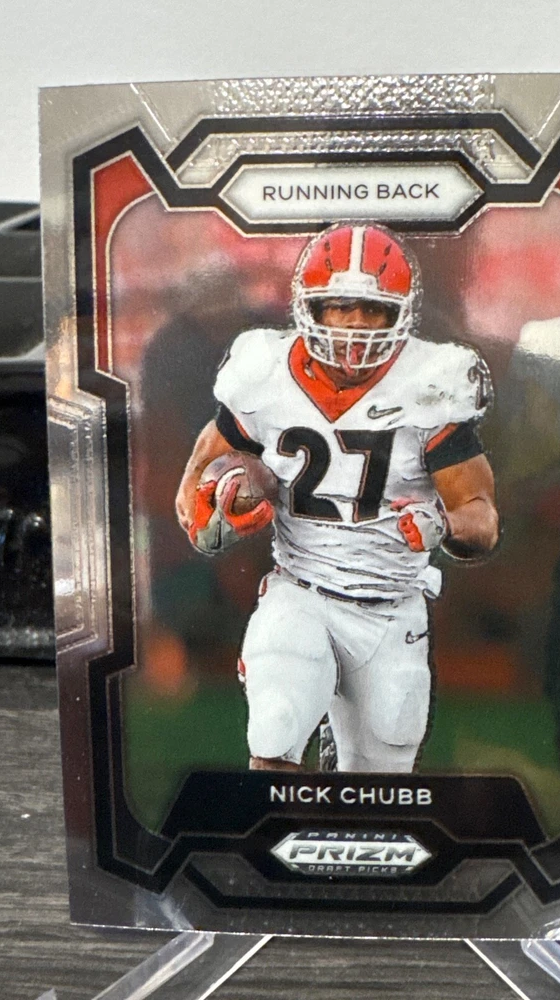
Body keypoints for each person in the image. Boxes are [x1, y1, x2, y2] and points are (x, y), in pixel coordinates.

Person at [175, 223, 499, 774]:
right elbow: (201, 474)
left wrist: (444, 525)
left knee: (380, 779)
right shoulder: (264, 372)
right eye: (341, 306)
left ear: (401, 315)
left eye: (373, 309)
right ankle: (277, 828)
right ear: (309, 308)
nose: (356, 324)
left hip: (392, 606)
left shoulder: (432, 382)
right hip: (301, 590)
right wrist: (207, 514)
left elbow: (483, 518)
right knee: (276, 725)